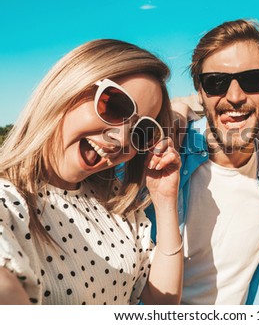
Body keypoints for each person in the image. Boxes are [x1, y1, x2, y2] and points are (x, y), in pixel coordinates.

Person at [0, 39, 183, 305]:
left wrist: (165, 200)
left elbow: (161, 303)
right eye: (116, 106)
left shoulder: (115, 203)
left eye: (141, 131)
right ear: (67, 87)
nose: (122, 138)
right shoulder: (8, 199)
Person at [147, 19, 259, 304]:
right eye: (216, 82)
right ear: (200, 90)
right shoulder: (164, 153)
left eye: (253, 79)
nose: (234, 96)